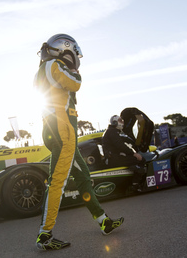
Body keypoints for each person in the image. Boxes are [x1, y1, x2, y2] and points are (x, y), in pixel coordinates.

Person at [33, 34, 124, 251]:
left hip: (60, 132)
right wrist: (75, 72)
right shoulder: (53, 65)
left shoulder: (44, 69)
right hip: (62, 134)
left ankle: (104, 221)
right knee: (57, 183)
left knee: (83, 177)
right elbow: (75, 83)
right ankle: (44, 235)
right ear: (65, 50)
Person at [102, 115, 147, 190]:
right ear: (115, 122)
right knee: (141, 160)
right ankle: (135, 184)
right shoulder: (112, 131)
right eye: (120, 120)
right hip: (115, 159)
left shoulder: (111, 131)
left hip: (114, 158)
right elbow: (120, 145)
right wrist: (133, 153)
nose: (122, 122)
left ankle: (133, 172)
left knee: (134, 161)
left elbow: (119, 146)